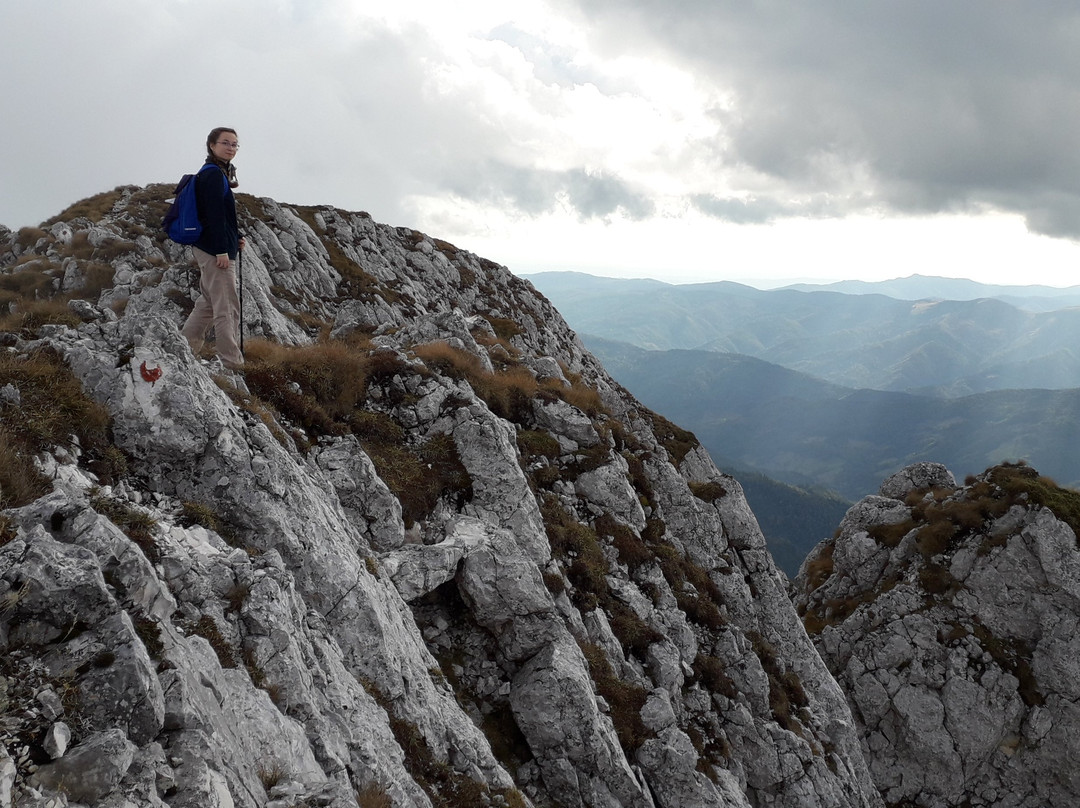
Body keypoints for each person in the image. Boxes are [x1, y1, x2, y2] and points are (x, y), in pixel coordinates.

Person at [181, 127, 245, 369]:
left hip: (211, 247)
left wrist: (236, 236)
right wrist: (221, 250)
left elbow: (222, 216)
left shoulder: (216, 173)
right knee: (227, 307)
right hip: (215, 251)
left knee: (208, 305)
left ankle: (183, 351)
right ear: (212, 145)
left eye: (235, 144)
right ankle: (231, 363)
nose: (231, 148)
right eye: (225, 143)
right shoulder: (213, 175)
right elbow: (215, 216)